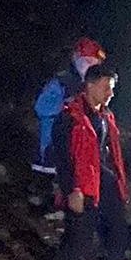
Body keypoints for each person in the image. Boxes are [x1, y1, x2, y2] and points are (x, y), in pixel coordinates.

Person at [52, 64, 131, 260]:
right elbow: (64, 158)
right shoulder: (70, 116)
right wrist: (71, 190)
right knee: (80, 236)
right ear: (91, 85)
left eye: (112, 88)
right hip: (82, 184)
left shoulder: (106, 116)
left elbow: (112, 153)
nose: (110, 93)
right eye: (107, 87)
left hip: (106, 183)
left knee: (118, 232)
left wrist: (121, 185)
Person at [34, 37, 106, 176]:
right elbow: (41, 107)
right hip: (52, 153)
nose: (91, 66)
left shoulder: (92, 87)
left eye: (95, 63)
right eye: (88, 61)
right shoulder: (61, 82)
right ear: (76, 58)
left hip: (77, 156)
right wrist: (67, 107)